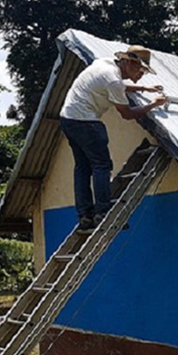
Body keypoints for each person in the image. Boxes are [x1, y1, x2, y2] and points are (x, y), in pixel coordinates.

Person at [58, 45, 167, 233]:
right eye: (140, 70)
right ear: (128, 62)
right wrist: (153, 105)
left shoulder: (103, 64)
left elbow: (117, 85)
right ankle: (102, 213)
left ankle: (85, 216)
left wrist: (142, 88)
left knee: (83, 168)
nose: (140, 75)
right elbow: (127, 114)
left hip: (68, 119)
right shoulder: (113, 80)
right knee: (102, 166)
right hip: (87, 122)